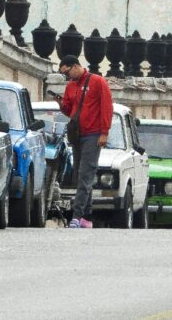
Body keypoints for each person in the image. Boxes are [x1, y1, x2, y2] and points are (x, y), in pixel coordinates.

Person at [55, 55, 113, 229]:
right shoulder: (71, 86)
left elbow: (106, 107)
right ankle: (87, 216)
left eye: (67, 73)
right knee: (79, 174)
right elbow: (70, 110)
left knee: (85, 175)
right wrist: (61, 105)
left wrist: (104, 132)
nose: (67, 77)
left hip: (93, 134)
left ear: (74, 66)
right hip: (77, 135)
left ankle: (77, 215)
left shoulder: (98, 82)